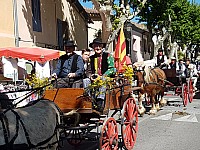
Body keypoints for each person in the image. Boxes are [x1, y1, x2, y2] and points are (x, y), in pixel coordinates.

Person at [89, 38, 116, 111]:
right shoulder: (91, 58)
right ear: (93, 48)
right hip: (94, 79)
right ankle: (88, 100)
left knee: (103, 80)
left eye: (99, 46)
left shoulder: (108, 56)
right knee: (85, 81)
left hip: (106, 78)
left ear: (102, 47)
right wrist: (90, 76)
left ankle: (100, 101)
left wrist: (102, 76)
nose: (97, 48)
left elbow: (112, 69)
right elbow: (88, 70)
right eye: (95, 46)